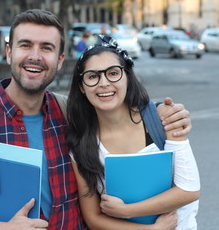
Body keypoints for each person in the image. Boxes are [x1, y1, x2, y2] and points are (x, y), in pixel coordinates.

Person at [0, 9, 193, 230]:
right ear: (9, 52)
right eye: (25, 45)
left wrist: (164, 112)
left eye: (46, 48)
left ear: (60, 60)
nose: (35, 56)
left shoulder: (72, 114)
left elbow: (120, 107)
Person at [66, 36, 200, 230]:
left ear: (127, 76)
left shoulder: (162, 118)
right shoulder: (80, 143)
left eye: (113, 73)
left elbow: (189, 190)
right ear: (82, 87)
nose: (103, 83)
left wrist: (127, 211)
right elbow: (93, 218)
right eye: (93, 76)